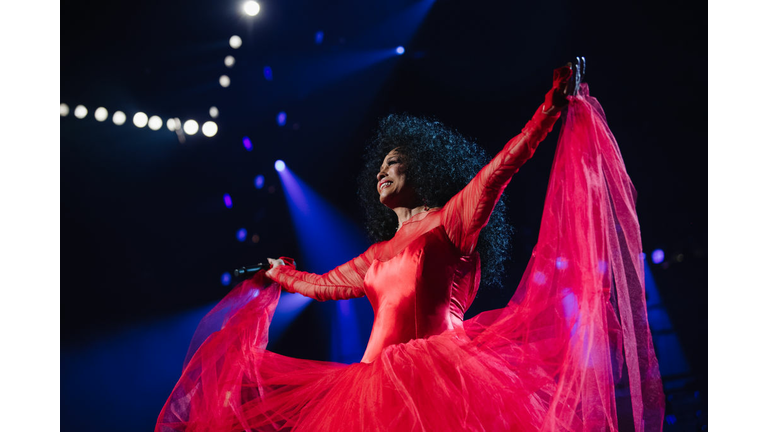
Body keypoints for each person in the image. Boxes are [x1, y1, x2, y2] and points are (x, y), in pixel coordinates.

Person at [157, 65, 664, 431]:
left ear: (420, 172)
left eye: (394, 163)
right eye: (379, 166)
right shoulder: (375, 254)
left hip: (444, 375)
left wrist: (549, 111)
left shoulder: (452, 221)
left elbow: (503, 166)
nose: (382, 170)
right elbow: (321, 285)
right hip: (369, 388)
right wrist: (278, 272)